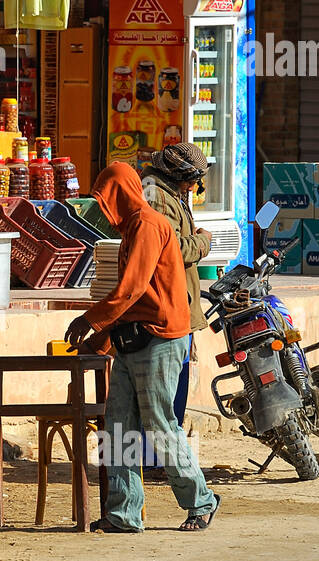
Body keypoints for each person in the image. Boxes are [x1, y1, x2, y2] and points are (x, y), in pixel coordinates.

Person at [66, 161, 221, 532]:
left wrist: (90, 319)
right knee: (117, 427)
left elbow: (131, 290)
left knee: (159, 424)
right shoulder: (133, 228)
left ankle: (201, 501)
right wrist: (100, 339)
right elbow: (131, 300)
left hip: (161, 338)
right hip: (132, 338)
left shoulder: (148, 225)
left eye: (107, 201)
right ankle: (123, 513)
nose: (104, 210)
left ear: (120, 196)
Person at [140, 142, 212, 458]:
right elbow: (173, 250)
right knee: (165, 394)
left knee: (176, 389)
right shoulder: (158, 199)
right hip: (165, 310)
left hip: (180, 306)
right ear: (179, 175)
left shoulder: (173, 196)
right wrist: (203, 242)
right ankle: (157, 458)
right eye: (193, 179)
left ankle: (162, 458)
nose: (195, 186)